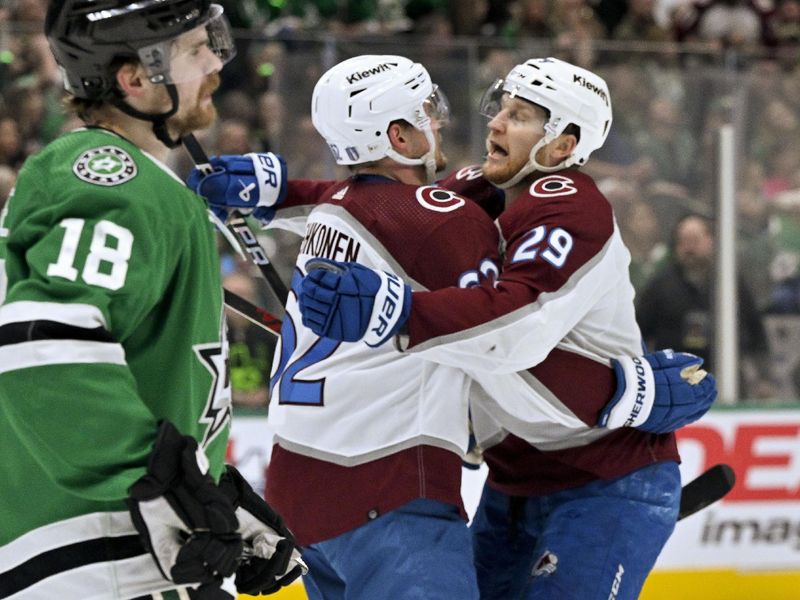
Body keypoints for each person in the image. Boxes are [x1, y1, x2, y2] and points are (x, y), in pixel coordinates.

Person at [296, 57, 717, 600]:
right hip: (512, 485)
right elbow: (381, 208)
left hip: (606, 480)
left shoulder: (570, 207)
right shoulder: (481, 192)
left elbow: (513, 333)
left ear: (562, 147)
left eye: (518, 117)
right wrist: (279, 195)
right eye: (501, 109)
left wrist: (396, 312)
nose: (494, 123)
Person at [0, 2, 303, 598]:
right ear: (134, 79)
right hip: (96, 555)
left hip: (124, 552)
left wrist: (209, 489)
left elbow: (152, 378)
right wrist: (161, 483)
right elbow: (46, 346)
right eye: (194, 51)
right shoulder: (107, 174)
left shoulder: (146, 183)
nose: (217, 64)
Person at [192, 53, 495, 600]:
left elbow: (384, 207)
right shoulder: (441, 221)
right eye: (428, 110)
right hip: (389, 491)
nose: (440, 120)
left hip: (300, 495)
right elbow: (503, 332)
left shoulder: (337, 210)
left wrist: (279, 194)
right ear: (399, 137)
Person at [638, 213, 775, 398]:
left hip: (727, 380)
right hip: (675, 383)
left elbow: (756, 332)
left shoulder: (730, 284)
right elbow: (639, 332)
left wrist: (765, 378)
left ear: (711, 241)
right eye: (683, 241)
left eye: (695, 240)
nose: (689, 248)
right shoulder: (661, 285)